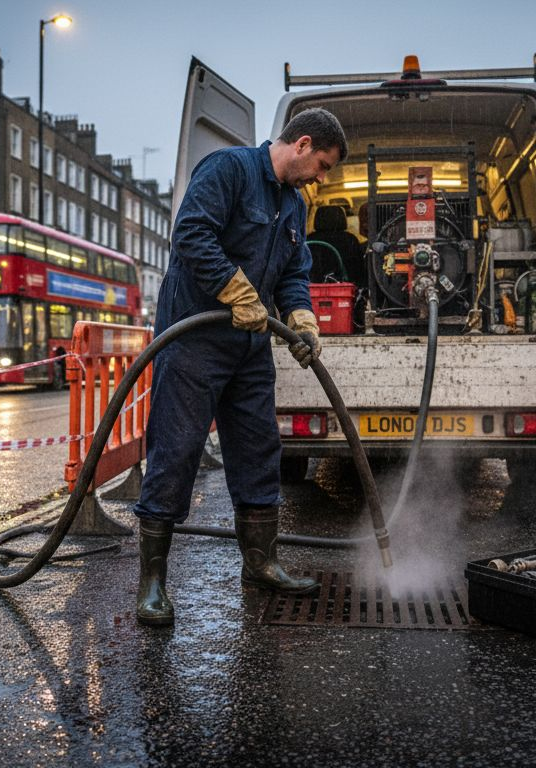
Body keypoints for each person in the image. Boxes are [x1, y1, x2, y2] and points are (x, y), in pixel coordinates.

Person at [132, 108, 348, 626]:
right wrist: (233, 287)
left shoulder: (293, 206)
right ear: (301, 144)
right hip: (194, 341)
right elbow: (191, 235)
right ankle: (152, 583)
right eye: (321, 165)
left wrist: (301, 317)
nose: (321, 178)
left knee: (258, 449)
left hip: (250, 347)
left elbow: (294, 270)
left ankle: (261, 563)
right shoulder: (226, 170)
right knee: (177, 449)